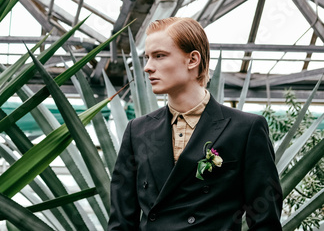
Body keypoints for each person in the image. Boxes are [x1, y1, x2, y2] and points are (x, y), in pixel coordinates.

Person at [108, 17, 282, 230]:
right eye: (147, 58)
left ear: (192, 60)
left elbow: (265, 222)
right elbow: (121, 222)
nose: (148, 67)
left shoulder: (245, 129)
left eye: (159, 56)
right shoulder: (137, 131)